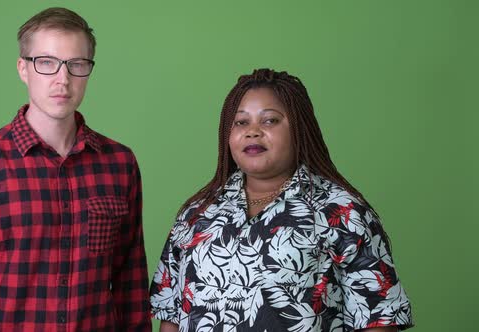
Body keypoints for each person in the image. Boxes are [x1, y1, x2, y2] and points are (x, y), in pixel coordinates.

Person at [0, 7, 151, 331]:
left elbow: (130, 282)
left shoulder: (119, 164)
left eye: (76, 64)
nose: (62, 80)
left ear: (88, 70)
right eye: (46, 63)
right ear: (23, 68)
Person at [150, 69, 413, 331]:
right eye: (241, 122)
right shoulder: (197, 214)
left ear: (299, 128)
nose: (253, 131)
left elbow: (378, 319)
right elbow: (171, 315)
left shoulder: (342, 212)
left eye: (270, 121)